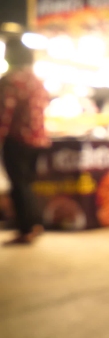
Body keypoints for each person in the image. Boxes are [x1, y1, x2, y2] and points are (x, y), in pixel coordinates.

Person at [0, 37, 50, 245]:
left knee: (19, 185)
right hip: (38, 140)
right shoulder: (36, 80)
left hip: (18, 139)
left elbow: (5, 113)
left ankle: (26, 229)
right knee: (27, 183)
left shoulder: (11, 80)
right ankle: (35, 224)